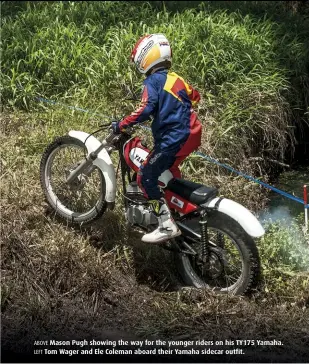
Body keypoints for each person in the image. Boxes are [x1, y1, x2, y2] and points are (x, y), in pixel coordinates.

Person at [112, 34, 202, 244]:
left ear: (146, 57)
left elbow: (146, 108)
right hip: (192, 132)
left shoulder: (152, 81)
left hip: (174, 138)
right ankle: (176, 207)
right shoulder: (175, 78)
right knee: (168, 171)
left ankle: (165, 224)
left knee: (146, 176)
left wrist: (122, 124)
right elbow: (195, 96)